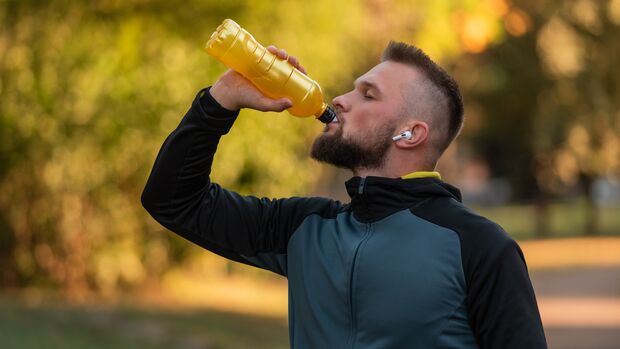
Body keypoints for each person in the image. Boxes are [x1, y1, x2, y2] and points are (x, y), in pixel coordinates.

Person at [142, 41, 547, 349]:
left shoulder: (480, 246)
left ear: (410, 134)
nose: (340, 100)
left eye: (368, 94)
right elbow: (173, 199)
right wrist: (221, 99)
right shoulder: (304, 228)